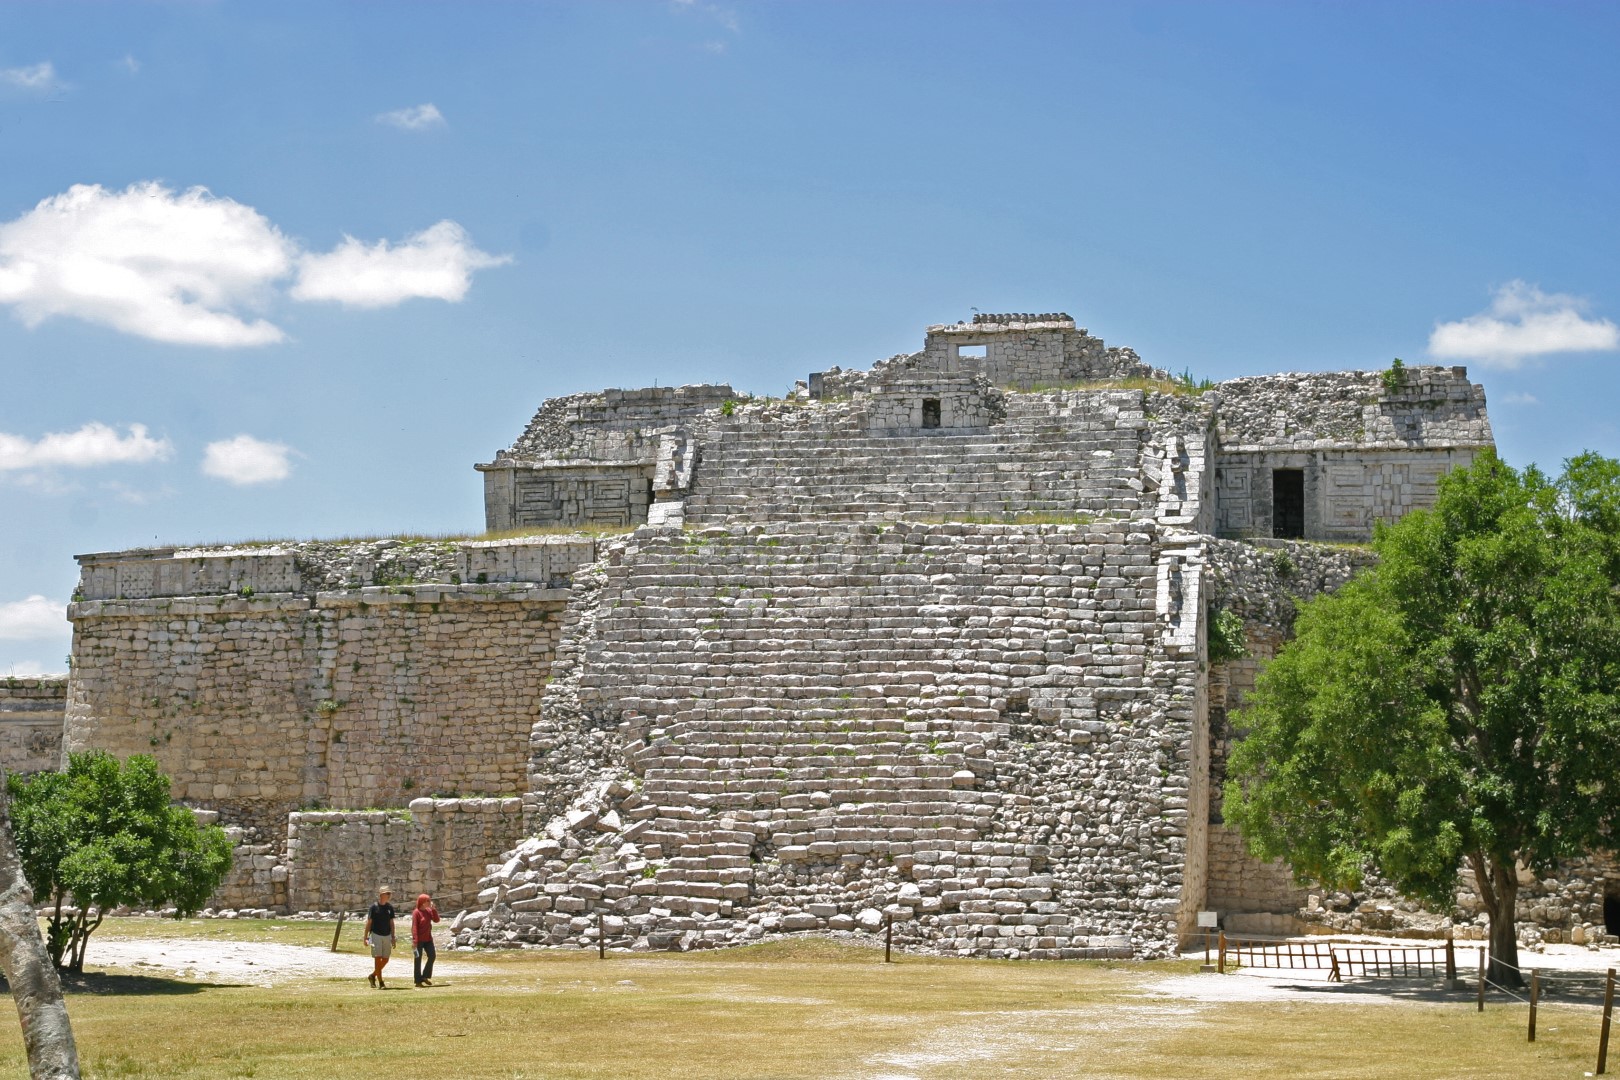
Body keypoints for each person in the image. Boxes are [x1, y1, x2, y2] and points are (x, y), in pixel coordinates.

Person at [363, 886, 397, 989]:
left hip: (387, 935)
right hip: (376, 935)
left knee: (385, 959)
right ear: (381, 895)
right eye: (387, 893)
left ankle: (373, 975)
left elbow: (392, 923)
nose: (389, 895)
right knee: (378, 958)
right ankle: (381, 982)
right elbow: (369, 923)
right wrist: (365, 937)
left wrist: (393, 937)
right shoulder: (373, 907)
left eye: (389, 894)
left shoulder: (389, 908)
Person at [412, 893, 441, 986]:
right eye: (427, 901)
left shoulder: (428, 911)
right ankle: (417, 981)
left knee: (432, 956)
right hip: (419, 940)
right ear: (422, 902)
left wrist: (434, 910)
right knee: (417, 959)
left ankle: (425, 976)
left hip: (428, 939)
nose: (429, 902)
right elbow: (414, 927)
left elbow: (436, 920)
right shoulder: (416, 912)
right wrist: (415, 940)